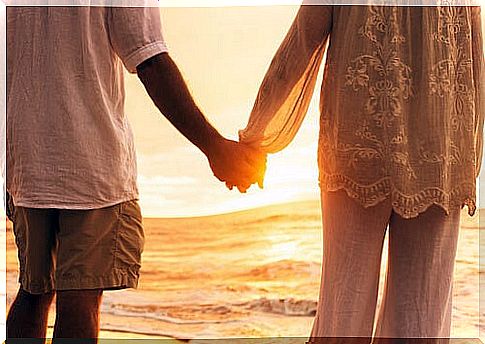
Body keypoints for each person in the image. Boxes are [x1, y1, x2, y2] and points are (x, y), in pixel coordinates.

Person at [5, 5, 265, 342]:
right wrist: (214, 146)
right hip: (88, 162)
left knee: (34, 290)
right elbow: (149, 58)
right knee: (79, 298)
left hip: (26, 163)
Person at [236, 3, 484, 343]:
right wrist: (467, 153)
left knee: (344, 303)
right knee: (421, 312)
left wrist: (257, 137)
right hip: (440, 153)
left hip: (359, 144)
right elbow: (474, 63)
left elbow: (302, 42)